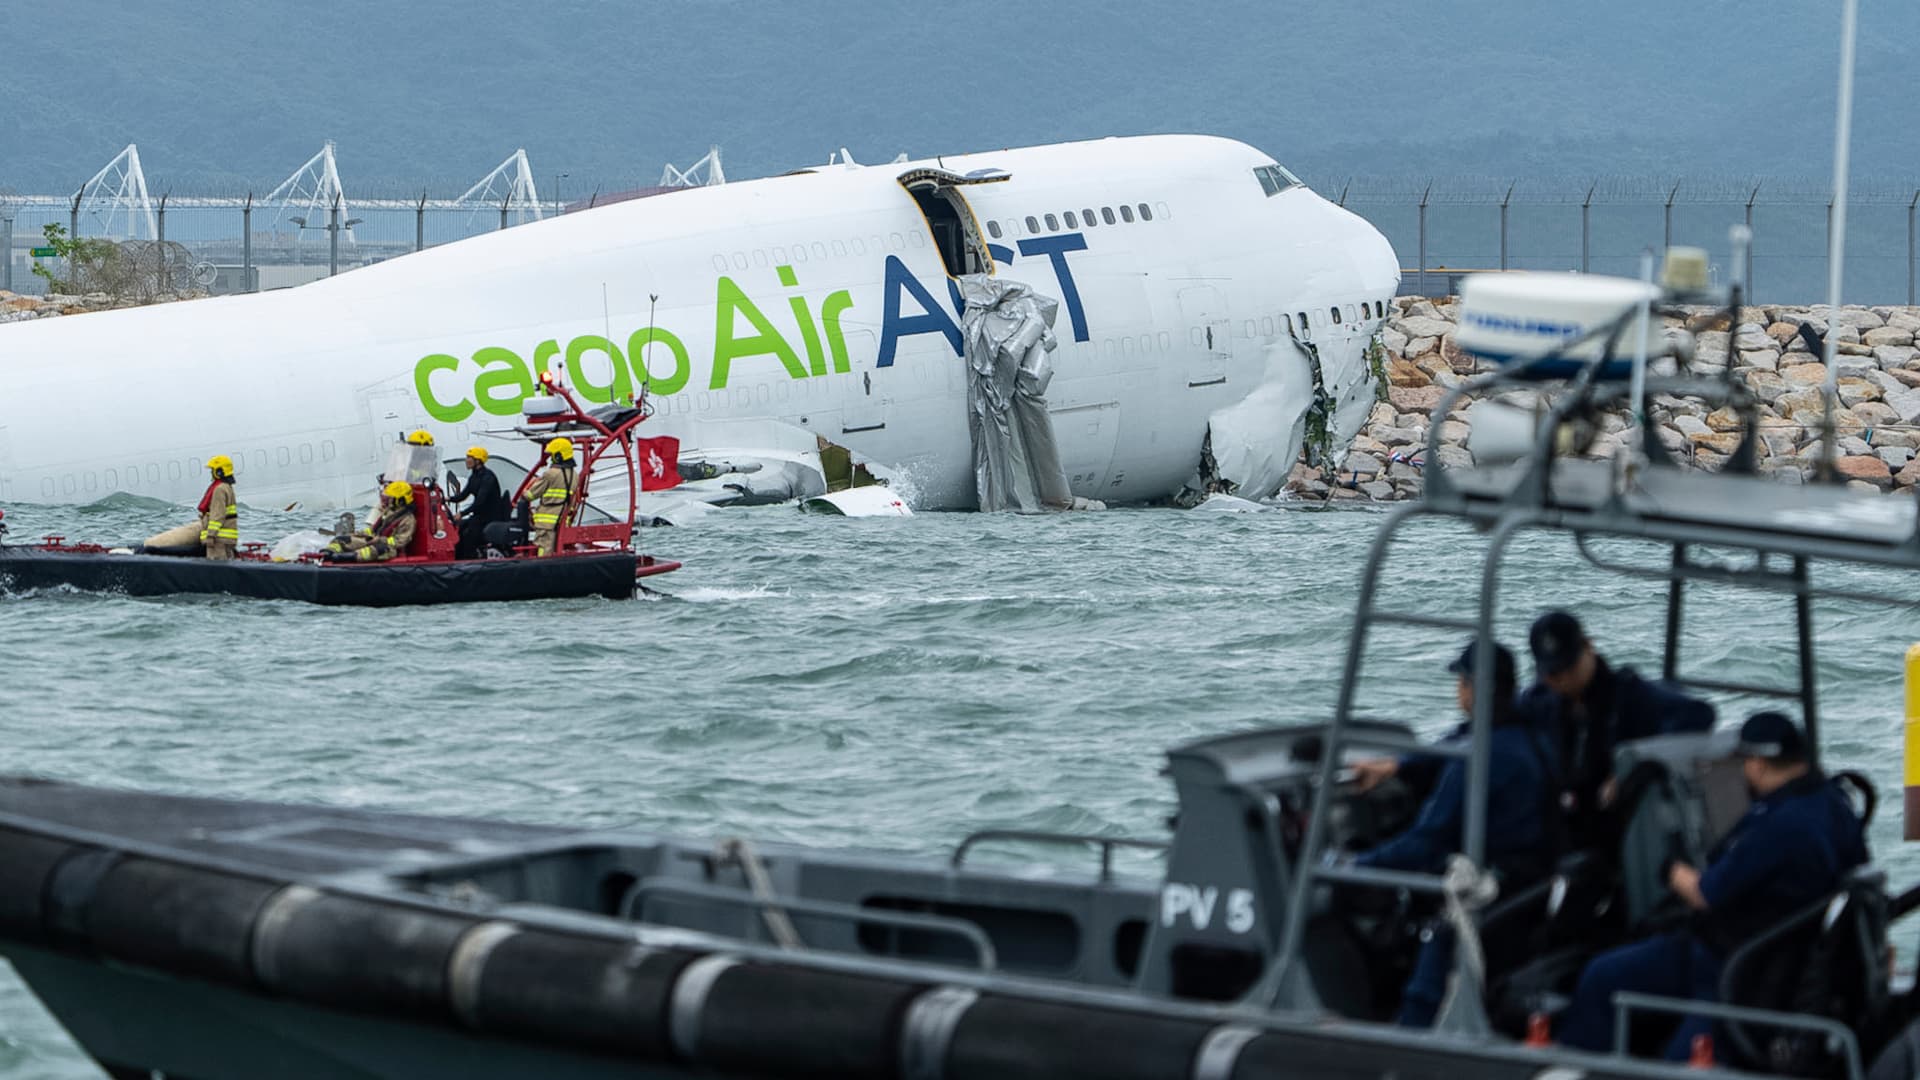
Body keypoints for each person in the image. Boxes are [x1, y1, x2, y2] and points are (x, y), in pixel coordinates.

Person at [1556, 711, 1868, 1059]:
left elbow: (1705, 892)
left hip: (1739, 972)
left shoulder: (1780, 827)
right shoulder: (1834, 804)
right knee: (1604, 975)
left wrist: (1670, 867)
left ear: (1758, 765)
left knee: (1676, 1060)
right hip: (1754, 955)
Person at [1351, 640, 1559, 1027]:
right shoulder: (1531, 734)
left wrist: (1351, 865)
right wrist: (1397, 767)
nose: (1458, 691)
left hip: (1489, 898)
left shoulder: (1475, 759)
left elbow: (1424, 844)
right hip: (1530, 889)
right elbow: (1455, 742)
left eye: (1462, 682)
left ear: (1474, 688)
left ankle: (1405, 1039)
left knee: (1430, 931)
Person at [1524, 610, 1714, 850]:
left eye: (1568, 667)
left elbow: (1698, 714)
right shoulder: (1539, 703)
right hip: (1561, 826)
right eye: (1552, 673)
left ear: (1589, 647)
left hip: (1619, 830)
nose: (1562, 679)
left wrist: (1633, 763)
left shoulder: (1627, 694)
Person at [324, 481, 417, 563]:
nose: (385, 501)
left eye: (389, 498)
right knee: (342, 539)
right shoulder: (389, 512)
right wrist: (357, 534)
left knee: (372, 551)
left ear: (400, 500)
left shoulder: (408, 520)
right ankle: (326, 554)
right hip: (374, 539)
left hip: (390, 549)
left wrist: (380, 540)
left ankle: (347, 557)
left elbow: (400, 541)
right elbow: (372, 530)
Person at [449, 446, 507, 559]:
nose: (466, 460)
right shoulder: (474, 477)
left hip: (489, 517)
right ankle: (457, 558)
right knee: (458, 528)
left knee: (469, 535)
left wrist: (462, 513)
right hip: (479, 516)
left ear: (478, 461)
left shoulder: (488, 478)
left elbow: (480, 502)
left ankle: (469, 560)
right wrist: (447, 499)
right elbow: (463, 495)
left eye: (469, 458)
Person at [526, 436, 578, 556]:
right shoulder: (574, 475)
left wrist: (524, 494)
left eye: (552, 455)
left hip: (546, 520)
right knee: (556, 548)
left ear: (558, 456)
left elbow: (531, 495)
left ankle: (541, 569)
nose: (551, 458)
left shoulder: (550, 474)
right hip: (563, 519)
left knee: (544, 547)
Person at [197, 455, 239, 560]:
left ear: (219, 471)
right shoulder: (227, 487)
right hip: (227, 538)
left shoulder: (219, 489)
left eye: (213, 470)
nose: (211, 473)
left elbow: (217, 515)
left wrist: (210, 535)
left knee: (217, 569)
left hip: (218, 539)